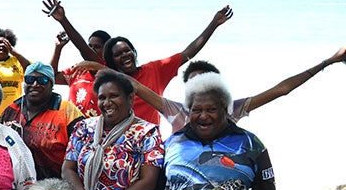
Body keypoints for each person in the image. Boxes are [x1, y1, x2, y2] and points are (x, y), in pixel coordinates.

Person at [41, 0, 234, 125]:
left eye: (127, 51)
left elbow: (188, 52)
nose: (125, 55)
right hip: (115, 142)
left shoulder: (155, 70)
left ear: (134, 52)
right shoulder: (111, 78)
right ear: (110, 61)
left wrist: (214, 24)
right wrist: (63, 20)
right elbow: (85, 50)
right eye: (118, 54)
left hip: (147, 143)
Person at [131, 49, 346, 132]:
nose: (201, 89)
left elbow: (281, 89)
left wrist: (328, 62)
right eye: (194, 84)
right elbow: (137, 87)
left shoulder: (232, 110)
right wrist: (99, 69)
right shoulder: (175, 110)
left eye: (206, 82)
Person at [0, 61, 85, 178]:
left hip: (54, 186)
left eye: (42, 80)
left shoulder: (67, 112)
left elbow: (83, 153)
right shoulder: (11, 110)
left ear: (51, 85)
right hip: (14, 181)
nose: (35, 84)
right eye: (29, 79)